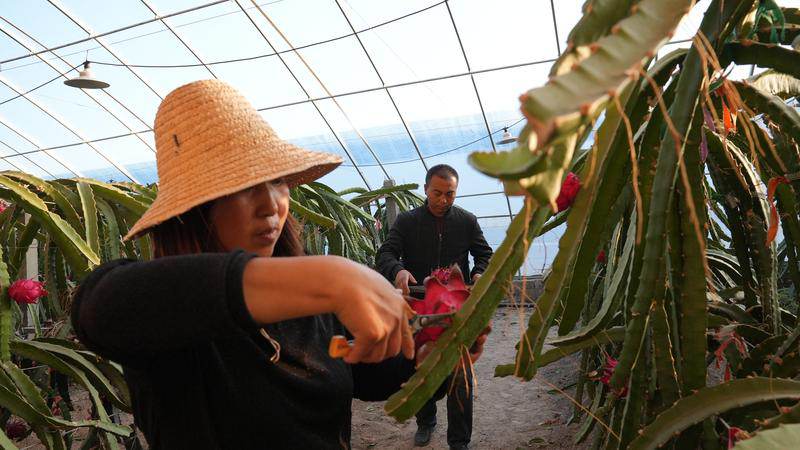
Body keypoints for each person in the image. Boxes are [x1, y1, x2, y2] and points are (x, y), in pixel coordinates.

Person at [71, 80, 425, 449]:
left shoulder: (307, 300)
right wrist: (333, 276)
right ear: (194, 211)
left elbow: (357, 375)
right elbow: (98, 307)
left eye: (277, 181)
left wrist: (431, 352)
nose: (271, 205)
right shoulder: (167, 321)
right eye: (244, 186)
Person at [376, 164, 494, 450]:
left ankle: (459, 441)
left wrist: (479, 272)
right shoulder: (407, 221)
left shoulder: (467, 221)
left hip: (456, 309)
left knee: (460, 370)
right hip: (419, 305)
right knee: (419, 366)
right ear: (426, 189)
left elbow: (485, 254)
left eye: (450, 194)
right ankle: (425, 421)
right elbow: (386, 253)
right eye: (437, 193)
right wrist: (398, 271)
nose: (443, 200)